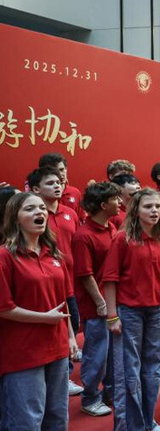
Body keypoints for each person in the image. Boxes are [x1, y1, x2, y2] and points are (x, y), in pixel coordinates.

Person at [0, 192, 78, 431]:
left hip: (56, 346)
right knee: (25, 422)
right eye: (30, 208)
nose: (39, 212)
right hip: (22, 352)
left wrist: (70, 335)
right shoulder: (6, 256)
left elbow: (63, 304)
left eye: (41, 209)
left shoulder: (54, 253)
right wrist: (44, 319)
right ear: (15, 217)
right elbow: (4, 308)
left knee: (57, 416)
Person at [102, 188, 160, 431]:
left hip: (155, 310)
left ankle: (147, 420)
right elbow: (110, 279)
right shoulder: (122, 239)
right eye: (148, 207)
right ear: (136, 210)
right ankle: (128, 428)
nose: (154, 211)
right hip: (129, 311)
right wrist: (112, 315)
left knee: (153, 367)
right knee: (128, 369)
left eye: (157, 206)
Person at [28, 166, 81, 396]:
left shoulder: (70, 213)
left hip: (69, 282)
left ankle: (63, 374)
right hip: (44, 283)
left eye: (59, 181)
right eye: (51, 183)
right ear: (36, 189)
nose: (58, 185)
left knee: (72, 326)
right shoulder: (35, 219)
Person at [72, 182, 121, 418]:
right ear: (103, 205)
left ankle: (110, 393)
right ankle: (90, 397)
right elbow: (84, 274)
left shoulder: (112, 228)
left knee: (113, 352)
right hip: (96, 303)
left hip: (113, 300)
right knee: (97, 352)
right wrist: (100, 301)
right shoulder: (83, 235)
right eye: (115, 199)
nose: (120, 202)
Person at [39, 152, 84, 221]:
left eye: (62, 169)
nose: (60, 174)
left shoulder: (75, 193)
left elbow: (81, 218)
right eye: (55, 171)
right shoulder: (38, 196)